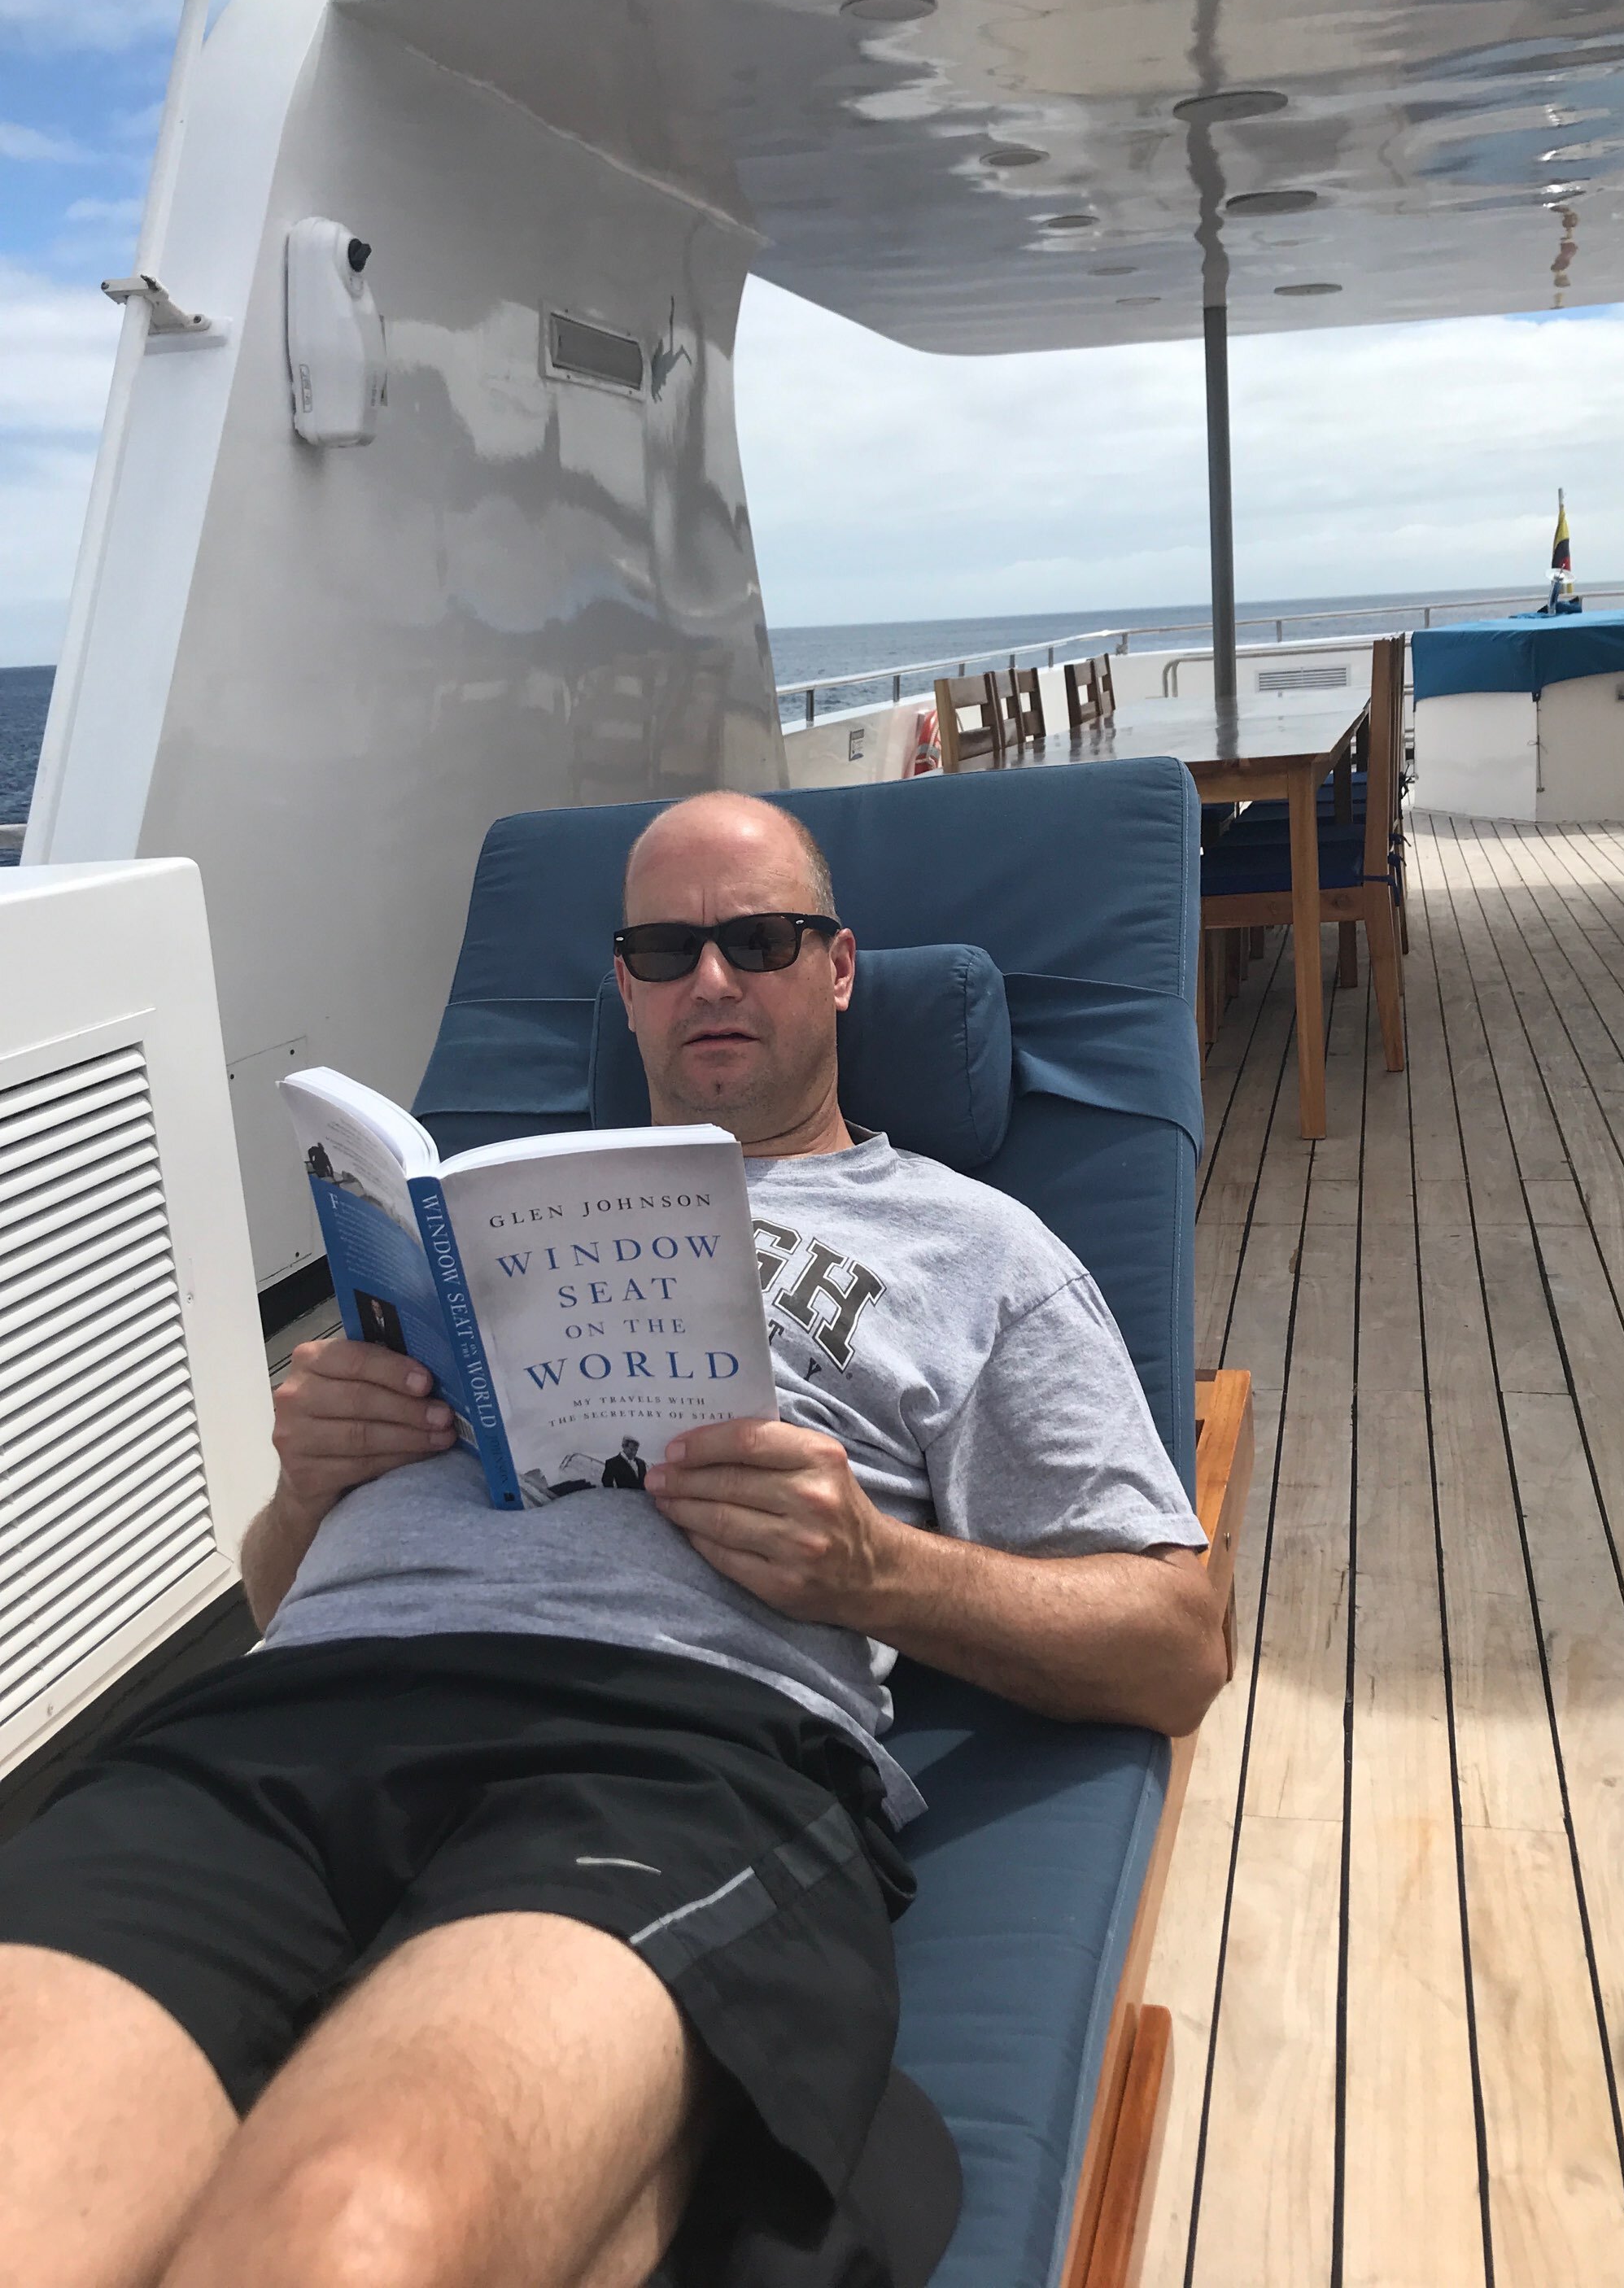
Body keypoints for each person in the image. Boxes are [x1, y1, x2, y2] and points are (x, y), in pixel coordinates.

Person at [0, 791, 1222, 2288]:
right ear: (627, 986)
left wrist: (880, 1573)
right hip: (286, 1723)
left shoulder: (977, 1247)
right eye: (665, 947)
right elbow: (275, 1596)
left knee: (343, 2236)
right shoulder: (490, 1224)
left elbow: (1176, 1644)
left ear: (837, 968)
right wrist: (309, 1483)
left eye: (757, 939)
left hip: (665, 1748)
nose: (712, 979)